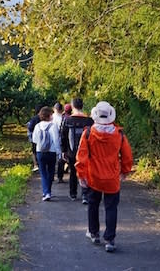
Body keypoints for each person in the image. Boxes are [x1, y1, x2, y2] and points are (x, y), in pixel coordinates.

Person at [75, 101, 133, 253]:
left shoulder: (88, 133)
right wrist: (125, 172)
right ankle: (110, 240)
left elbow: (81, 156)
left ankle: (94, 233)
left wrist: (81, 175)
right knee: (111, 207)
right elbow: (127, 156)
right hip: (112, 177)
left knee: (93, 205)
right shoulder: (119, 135)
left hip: (93, 176)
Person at [61, 97, 93, 203]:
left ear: (73, 106)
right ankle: (85, 195)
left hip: (71, 152)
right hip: (86, 152)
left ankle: (73, 194)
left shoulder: (67, 120)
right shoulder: (89, 121)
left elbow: (63, 137)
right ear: (82, 106)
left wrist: (63, 150)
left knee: (73, 172)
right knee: (86, 173)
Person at [32, 106, 62, 201]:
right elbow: (56, 140)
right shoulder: (53, 126)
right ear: (49, 115)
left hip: (40, 151)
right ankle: (48, 191)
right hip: (51, 152)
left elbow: (34, 140)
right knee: (51, 172)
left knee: (43, 173)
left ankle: (46, 193)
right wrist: (59, 152)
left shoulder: (37, 126)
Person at [26, 104, 43, 172]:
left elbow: (30, 128)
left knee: (34, 151)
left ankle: (35, 165)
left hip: (35, 138)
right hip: (43, 137)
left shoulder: (34, 118)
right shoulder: (44, 118)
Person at [52, 102, 66, 182]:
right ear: (61, 110)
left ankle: (51, 175)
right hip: (60, 140)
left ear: (54, 109)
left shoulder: (50, 118)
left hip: (51, 141)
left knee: (52, 159)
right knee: (61, 159)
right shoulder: (63, 118)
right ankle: (60, 177)